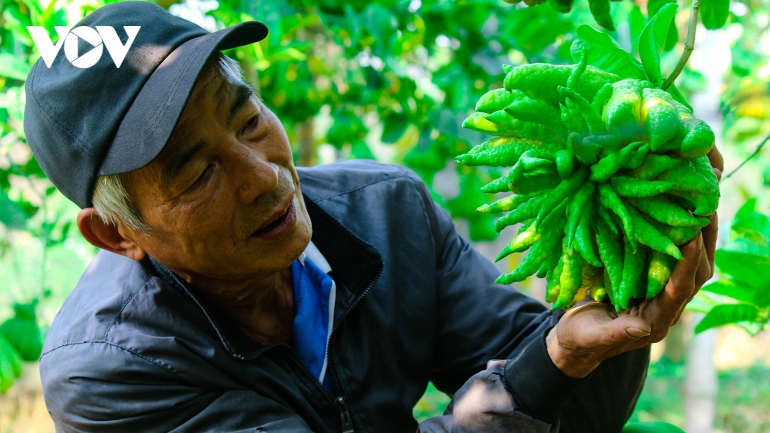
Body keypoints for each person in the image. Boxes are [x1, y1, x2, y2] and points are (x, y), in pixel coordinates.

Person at [25, 3, 720, 432]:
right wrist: (555, 357)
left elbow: (566, 408)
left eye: (247, 119)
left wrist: (610, 304)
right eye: (198, 172)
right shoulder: (109, 373)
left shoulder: (388, 214)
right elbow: (541, 372)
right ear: (117, 233)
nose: (262, 175)